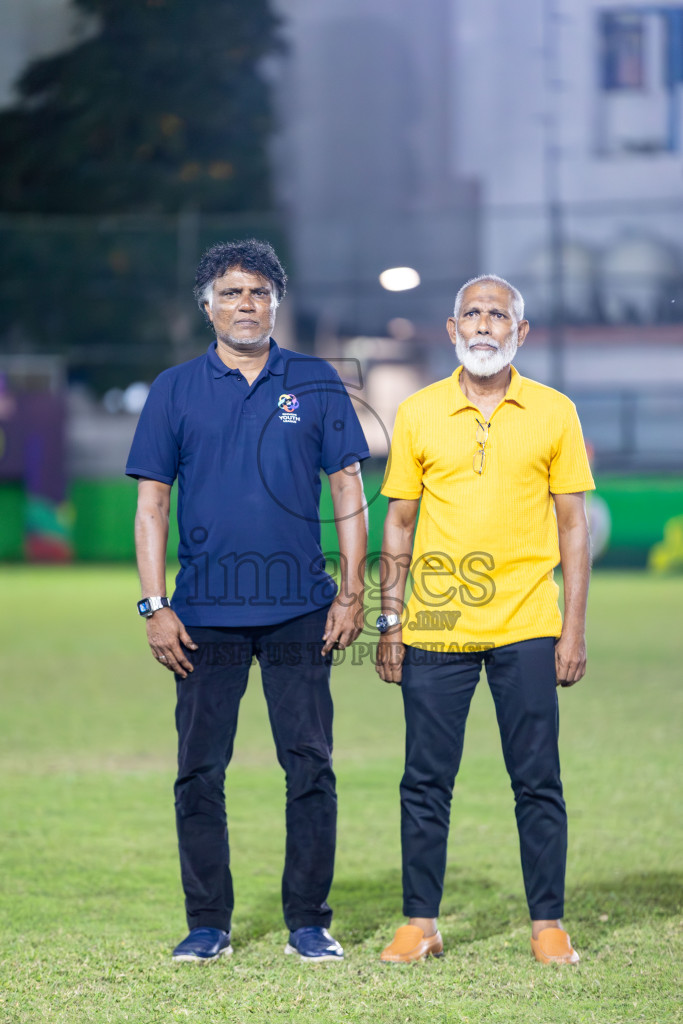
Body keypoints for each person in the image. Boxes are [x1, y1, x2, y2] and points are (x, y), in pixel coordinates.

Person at [126, 239, 369, 963]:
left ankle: (308, 922)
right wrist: (153, 604)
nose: (244, 304)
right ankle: (208, 924)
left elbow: (349, 490)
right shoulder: (173, 388)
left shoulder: (316, 381)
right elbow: (151, 505)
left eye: (258, 292)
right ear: (208, 306)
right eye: (230, 293)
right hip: (201, 616)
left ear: (276, 304)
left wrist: (351, 594)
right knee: (200, 769)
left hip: (300, 608)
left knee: (310, 766)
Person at [375, 274, 594, 965]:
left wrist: (573, 629)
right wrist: (389, 621)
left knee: (536, 779)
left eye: (496, 314)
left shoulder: (555, 412)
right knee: (424, 779)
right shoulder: (415, 412)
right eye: (470, 312)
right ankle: (420, 922)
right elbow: (399, 522)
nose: (482, 323)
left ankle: (547, 923)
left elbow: (572, 528)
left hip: (527, 622)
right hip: (435, 625)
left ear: (518, 333)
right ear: (450, 329)